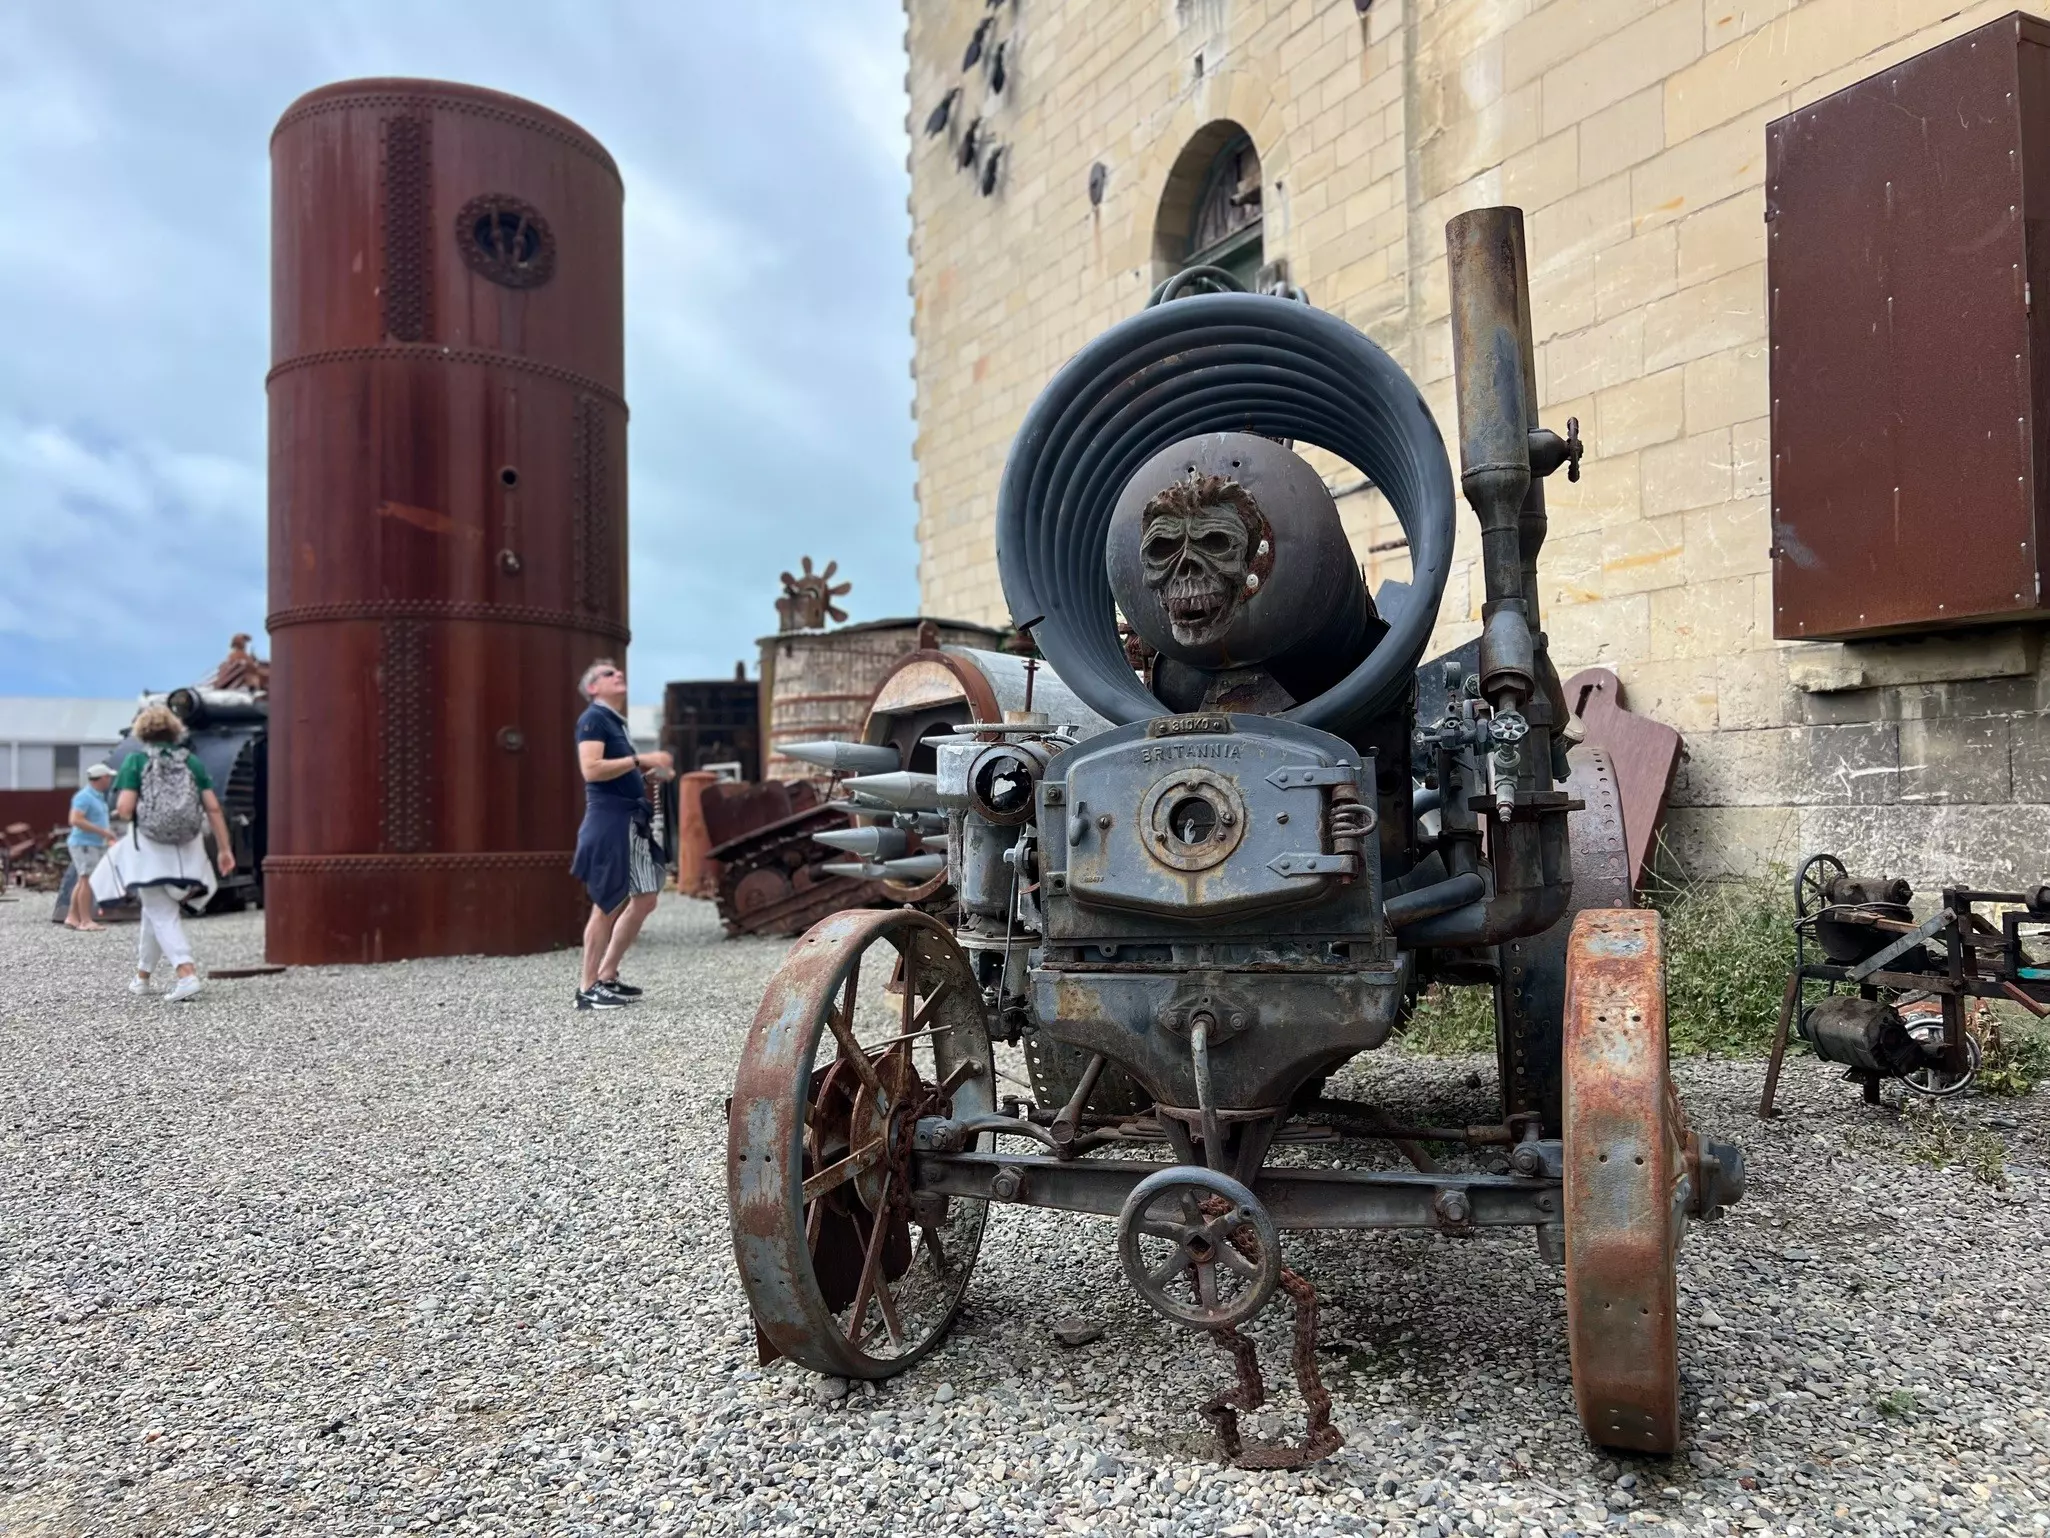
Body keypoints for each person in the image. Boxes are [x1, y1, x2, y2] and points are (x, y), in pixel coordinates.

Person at [93, 704, 236, 1003]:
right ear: (175, 731)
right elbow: (212, 808)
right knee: (154, 910)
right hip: (187, 847)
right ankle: (142, 976)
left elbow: (125, 808)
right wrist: (224, 849)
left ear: (142, 732)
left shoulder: (136, 760)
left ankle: (186, 974)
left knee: (160, 910)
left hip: (150, 848)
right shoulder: (191, 762)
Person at [569, 659, 673, 1011]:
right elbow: (591, 769)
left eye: (618, 671)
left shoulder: (615, 722)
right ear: (593, 688)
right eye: (608, 674)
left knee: (645, 899)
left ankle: (607, 973)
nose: (618, 675)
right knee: (607, 902)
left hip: (630, 823)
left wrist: (646, 776)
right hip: (610, 823)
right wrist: (641, 760)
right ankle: (587, 989)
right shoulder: (593, 719)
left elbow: (616, 772)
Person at [61, 763, 119, 931]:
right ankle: (86, 921)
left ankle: (72, 917)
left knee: (82, 880)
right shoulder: (84, 796)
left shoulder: (97, 797)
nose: (110, 780)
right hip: (84, 844)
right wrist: (103, 832)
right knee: (87, 880)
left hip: (93, 843)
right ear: (101, 778)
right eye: (108, 777)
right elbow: (75, 819)